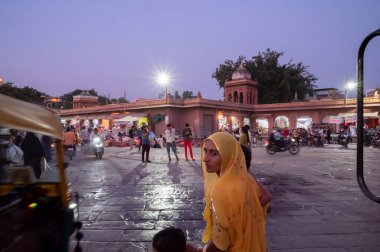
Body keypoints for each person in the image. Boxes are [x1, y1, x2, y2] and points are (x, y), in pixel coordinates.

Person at [199, 132, 268, 252]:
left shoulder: (219, 190)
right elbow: (266, 200)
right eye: (206, 151)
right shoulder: (247, 179)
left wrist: (202, 250)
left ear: (229, 156)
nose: (205, 159)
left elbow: (221, 243)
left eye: (214, 153)